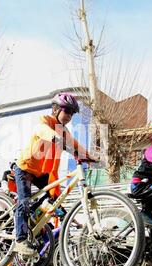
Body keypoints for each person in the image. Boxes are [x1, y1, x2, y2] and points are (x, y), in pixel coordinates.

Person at [14, 92, 96, 255]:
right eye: (67, 111)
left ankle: (31, 218)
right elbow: (42, 130)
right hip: (25, 168)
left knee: (54, 198)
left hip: (41, 173)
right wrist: (55, 137)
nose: (69, 116)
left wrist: (90, 157)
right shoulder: (45, 121)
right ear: (55, 109)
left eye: (72, 113)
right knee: (23, 201)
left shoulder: (63, 131)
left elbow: (75, 145)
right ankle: (20, 240)